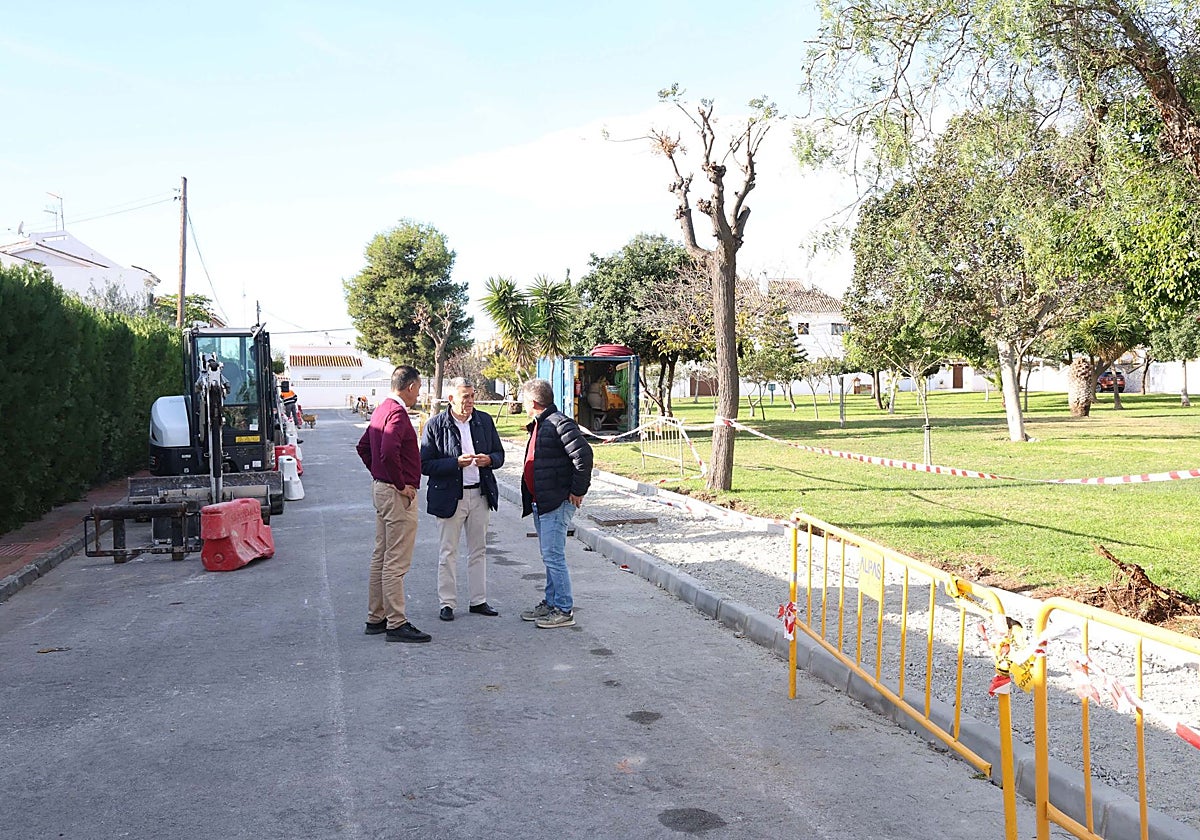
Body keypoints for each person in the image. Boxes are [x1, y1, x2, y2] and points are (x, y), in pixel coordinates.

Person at [419, 378, 505, 621]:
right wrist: (454, 463)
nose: (469, 401)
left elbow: (499, 454)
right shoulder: (436, 425)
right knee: (448, 551)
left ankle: (478, 600)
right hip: (450, 497)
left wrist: (490, 460)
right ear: (451, 399)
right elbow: (425, 464)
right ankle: (447, 603)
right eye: (464, 397)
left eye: (472, 395)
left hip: (480, 494)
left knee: (479, 550)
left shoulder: (484, 421)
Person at [356, 365, 430, 643]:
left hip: (382, 489)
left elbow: (364, 448)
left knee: (382, 555)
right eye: (419, 388)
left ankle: (376, 616)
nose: (419, 393)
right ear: (410, 387)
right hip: (396, 493)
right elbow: (387, 451)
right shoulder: (397, 414)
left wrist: (380, 475)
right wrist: (399, 484)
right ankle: (396, 622)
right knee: (396, 561)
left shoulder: (380, 409)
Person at [518, 378, 593, 629]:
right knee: (549, 555)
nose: (522, 404)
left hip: (556, 502)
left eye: (524, 400)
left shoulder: (559, 423)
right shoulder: (542, 423)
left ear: (533, 401)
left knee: (553, 556)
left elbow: (584, 455)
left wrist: (577, 490)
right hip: (543, 501)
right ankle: (551, 603)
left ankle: (563, 608)